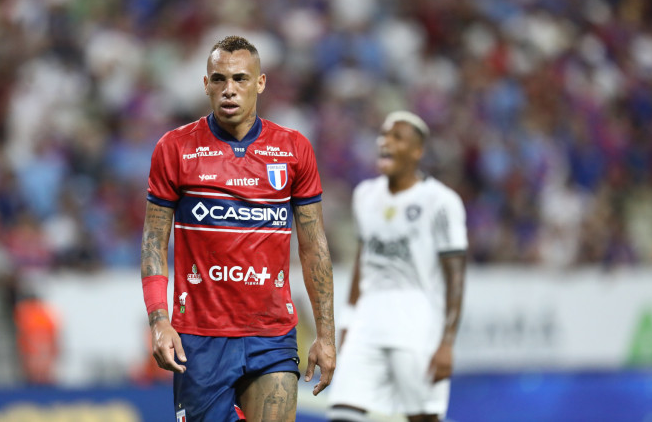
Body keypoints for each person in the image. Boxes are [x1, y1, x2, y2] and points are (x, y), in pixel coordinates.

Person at [140, 35, 336, 422]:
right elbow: (152, 242)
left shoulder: (293, 149)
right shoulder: (175, 149)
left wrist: (327, 335)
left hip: (271, 333)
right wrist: (160, 321)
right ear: (206, 84)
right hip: (199, 337)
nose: (229, 90)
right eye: (219, 79)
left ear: (260, 83)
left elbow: (313, 246)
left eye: (241, 79)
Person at [327, 111, 468, 422]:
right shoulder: (365, 195)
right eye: (383, 135)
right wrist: (348, 321)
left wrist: (447, 343)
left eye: (397, 137)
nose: (385, 142)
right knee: (342, 413)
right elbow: (363, 262)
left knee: (421, 417)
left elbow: (456, 276)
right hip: (368, 321)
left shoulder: (441, 202)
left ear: (417, 151)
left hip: (416, 324)